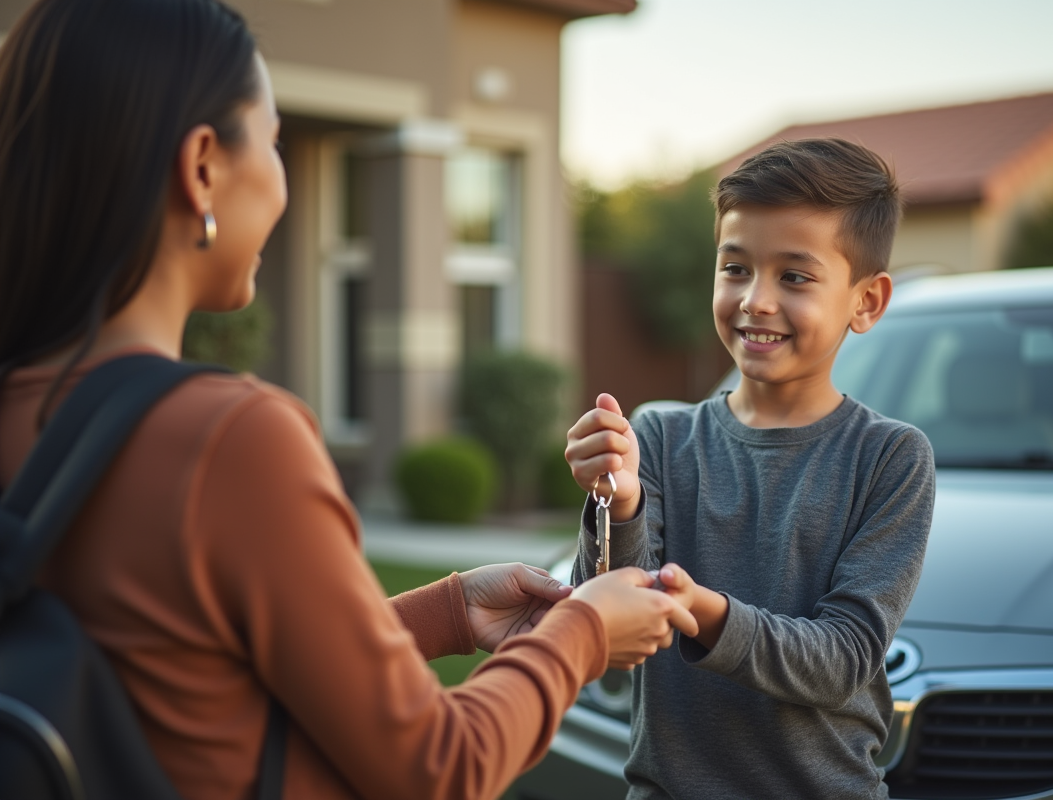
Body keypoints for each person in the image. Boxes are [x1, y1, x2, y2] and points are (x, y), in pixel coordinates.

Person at [0, 1, 698, 799]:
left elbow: (183, 668)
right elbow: (440, 766)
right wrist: (584, 630)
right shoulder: (229, 440)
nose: (282, 183)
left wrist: (446, 613)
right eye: (272, 142)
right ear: (201, 168)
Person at [566, 139, 937, 799]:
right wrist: (617, 506)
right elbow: (608, 642)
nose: (756, 300)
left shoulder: (889, 458)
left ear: (867, 302)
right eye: (735, 268)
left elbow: (843, 659)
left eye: (794, 276)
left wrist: (702, 612)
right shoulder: (658, 436)